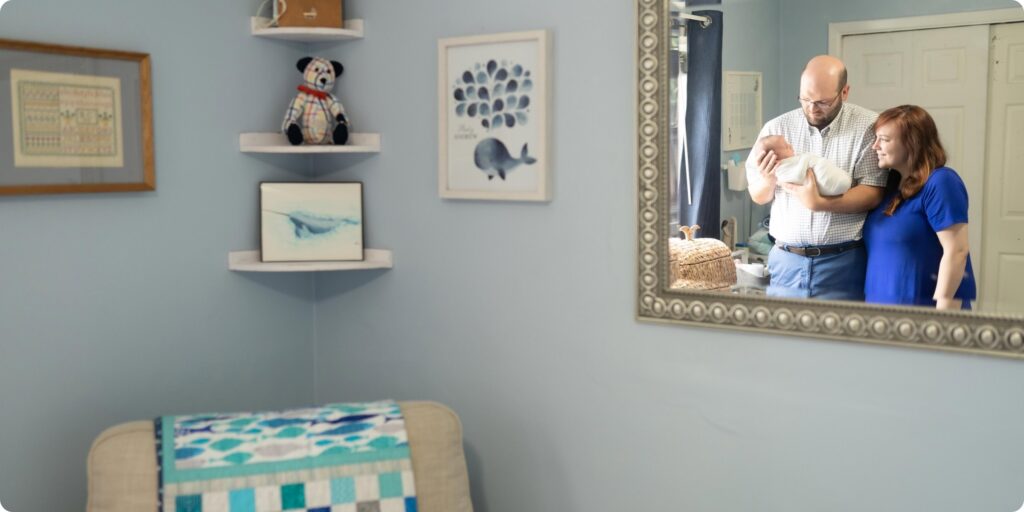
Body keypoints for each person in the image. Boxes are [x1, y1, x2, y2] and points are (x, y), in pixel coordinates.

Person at [745, 55, 888, 300]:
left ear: (844, 92)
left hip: (842, 262)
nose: (812, 108)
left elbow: (873, 191)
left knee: (837, 337)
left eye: (822, 102)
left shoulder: (869, 127)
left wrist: (821, 203)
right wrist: (768, 180)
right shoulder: (775, 129)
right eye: (806, 99)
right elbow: (757, 195)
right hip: (785, 261)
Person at [862, 105, 976, 309]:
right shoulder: (889, 190)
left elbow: (957, 251)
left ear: (911, 144)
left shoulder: (941, 182)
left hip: (924, 317)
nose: (875, 146)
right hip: (880, 314)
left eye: (885, 140)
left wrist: (942, 320)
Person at [751, 135, 852, 196]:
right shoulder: (782, 170)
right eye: (786, 146)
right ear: (774, 158)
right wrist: (768, 181)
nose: (790, 146)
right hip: (825, 183)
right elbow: (798, 175)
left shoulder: (793, 160)